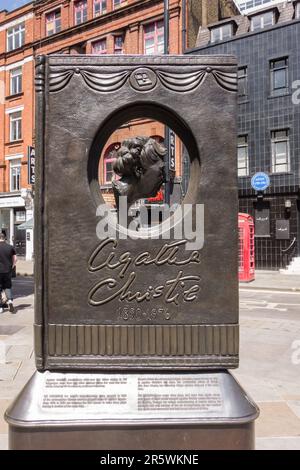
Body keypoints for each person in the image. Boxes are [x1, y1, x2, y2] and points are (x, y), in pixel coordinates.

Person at [0, 233, 17, 314]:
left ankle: (0, 308)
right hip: (7, 271)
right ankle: (10, 301)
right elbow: (15, 259)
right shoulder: (10, 247)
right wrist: (12, 266)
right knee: (7, 287)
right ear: (4, 238)